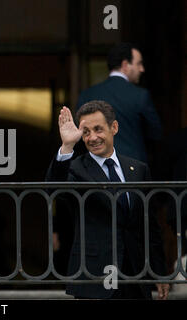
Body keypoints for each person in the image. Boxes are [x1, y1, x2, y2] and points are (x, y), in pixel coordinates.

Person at [45, 100, 169, 299]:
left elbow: (149, 226)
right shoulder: (76, 168)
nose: (92, 138)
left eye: (98, 129)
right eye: (86, 132)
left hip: (134, 275)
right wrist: (67, 145)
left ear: (114, 128)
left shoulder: (137, 169)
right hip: (94, 275)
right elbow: (54, 190)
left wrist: (159, 271)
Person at [76, 43, 162, 163]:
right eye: (138, 63)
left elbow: (79, 134)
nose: (142, 69)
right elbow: (156, 134)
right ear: (125, 64)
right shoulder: (140, 95)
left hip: (95, 167)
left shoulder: (87, 94)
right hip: (133, 169)